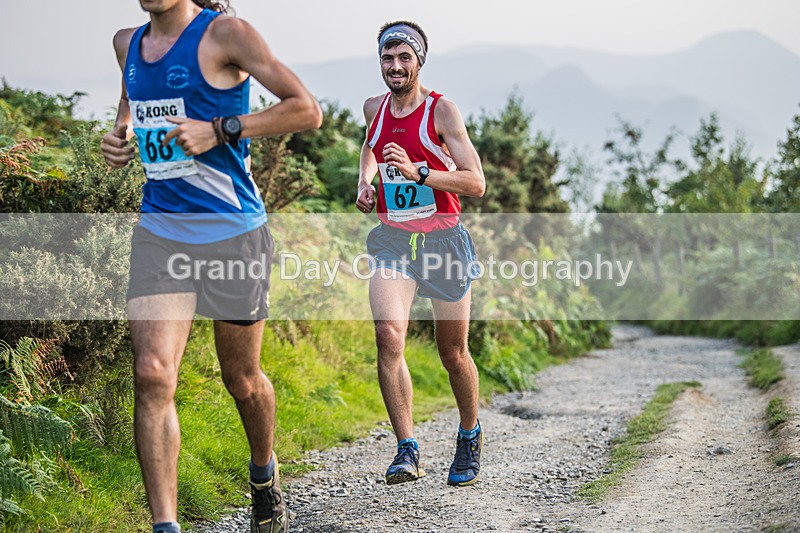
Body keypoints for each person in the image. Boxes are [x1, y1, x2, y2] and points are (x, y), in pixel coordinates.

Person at [100, 1, 322, 532]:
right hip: (161, 233)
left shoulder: (227, 35)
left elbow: (306, 110)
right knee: (152, 374)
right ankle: (166, 525)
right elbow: (132, 101)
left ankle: (264, 474)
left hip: (233, 234)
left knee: (241, 379)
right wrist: (121, 134)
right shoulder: (127, 43)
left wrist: (220, 129)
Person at [355, 20, 487, 487]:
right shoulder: (374, 108)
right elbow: (370, 147)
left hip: (443, 241)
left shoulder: (441, 111)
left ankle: (469, 434)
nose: (395, 66)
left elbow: (476, 182)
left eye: (404, 58)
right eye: (387, 57)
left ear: (419, 61)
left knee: (453, 353)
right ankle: (406, 448)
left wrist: (420, 173)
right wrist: (365, 180)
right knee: (388, 336)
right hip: (394, 241)